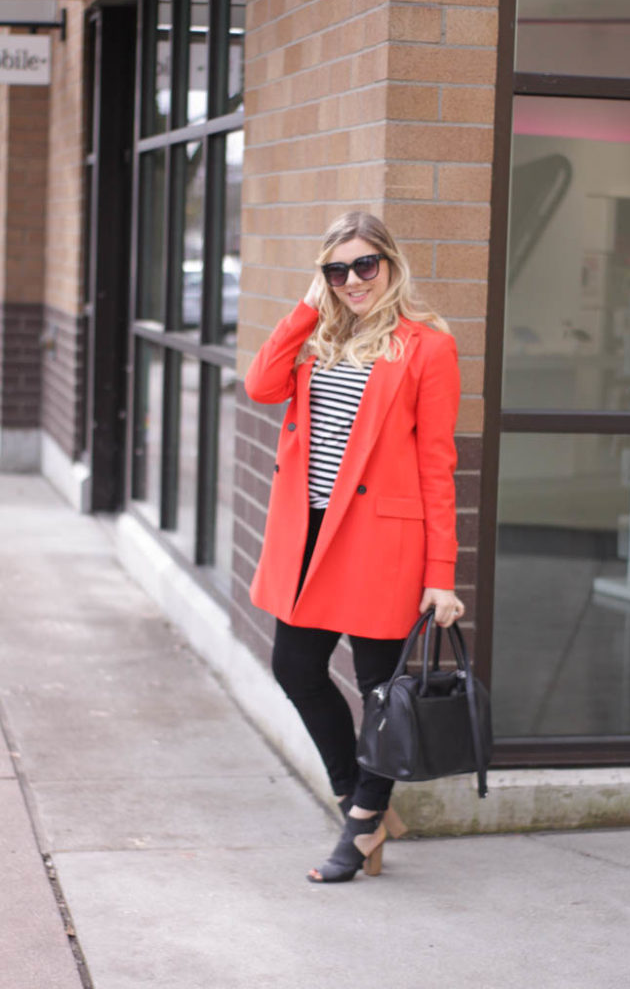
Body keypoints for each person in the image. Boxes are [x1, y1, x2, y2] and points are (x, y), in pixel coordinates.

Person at [245, 211, 464, 883]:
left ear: (390, 265)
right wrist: (305, 308)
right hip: (310, 535)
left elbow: (436, 465)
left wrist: (441, 575)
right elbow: (259, 385)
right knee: (297, 668)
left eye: (363, 265)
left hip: (380, 541)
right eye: (336, 270)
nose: (351, 281)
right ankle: (358, 801)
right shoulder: (318, 339)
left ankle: (365, 820)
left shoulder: (426, 347)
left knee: (378, 691)